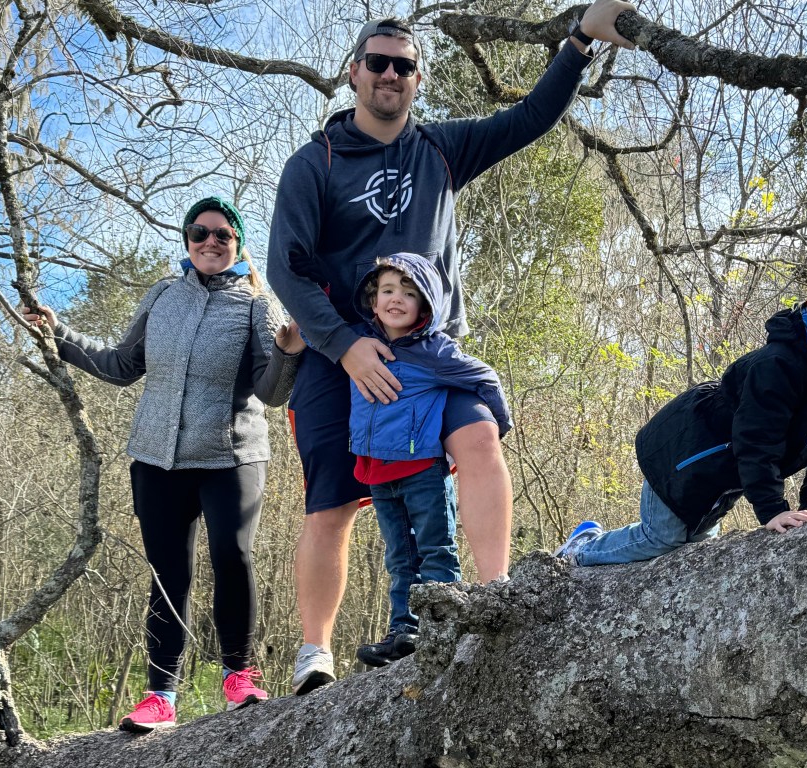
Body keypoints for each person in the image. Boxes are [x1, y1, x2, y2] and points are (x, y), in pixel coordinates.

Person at [267, 0, 635, 694]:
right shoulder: (314, 164)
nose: (390, 75)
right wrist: (345, 347)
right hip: (338, 356)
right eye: (378, 62)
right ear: (353, 73)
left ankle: (494, 598)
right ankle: (315, 654)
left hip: (428, 356)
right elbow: (285, 268)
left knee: (480, 439)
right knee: (332, 506)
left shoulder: (439, 150)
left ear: (417, 80)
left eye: (404, 67)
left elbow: (529, 118)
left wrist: (580, 39)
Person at [24, 197, 305, 732]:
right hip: (156, 459)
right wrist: (59, 335)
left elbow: (271, 393)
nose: (210, 241)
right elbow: (121, 365)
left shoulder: (256, 304)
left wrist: (288, 352)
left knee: (232, 556)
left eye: (223, 234)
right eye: (199, 232)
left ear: (238, 244)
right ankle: (161, 696)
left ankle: (239, 676)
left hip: (231, 458)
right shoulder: (162, 296)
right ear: (187, 239)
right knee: (167, 574)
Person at [555, 246, 807, 565]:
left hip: (725, 471)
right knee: (662, 538)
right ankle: (580, 548)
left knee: (695, 543)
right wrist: (772, 510)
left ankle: (596, 540)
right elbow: (757, 440)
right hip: (685, 450)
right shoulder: (779, 366)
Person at [348, 253, 512, 668]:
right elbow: (316, 338)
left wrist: (498, 423)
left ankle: (443, 627)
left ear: (425, 306)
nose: (396, 299)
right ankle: (404, 630)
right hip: (378, 471)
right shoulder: (357, 344)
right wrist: (292, 341)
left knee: (436, 549)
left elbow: (484, 377)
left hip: (422, 468)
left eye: (408, 293)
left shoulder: (434, 351)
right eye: (387, 291)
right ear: (373, 300)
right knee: (399, 556)